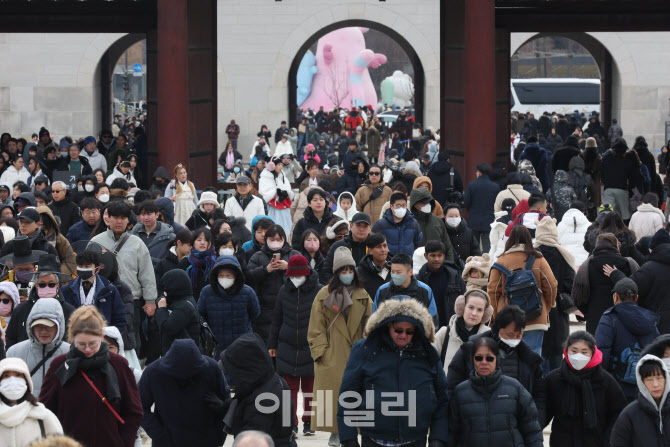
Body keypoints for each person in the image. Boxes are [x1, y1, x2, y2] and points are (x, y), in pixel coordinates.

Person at [338, 298, 449, 447]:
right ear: (388, 326)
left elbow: (442, 399)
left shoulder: (427, 353)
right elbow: (348, 396)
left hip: (415, 439)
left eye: (409, 331)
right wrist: (348, 438)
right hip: (374, 439)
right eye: (398, 330)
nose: (403, 335)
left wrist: (438, 437)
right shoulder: (365, 350)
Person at [39, 306, 143, 447]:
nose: (87, 349)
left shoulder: (119, 365)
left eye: (93, 344)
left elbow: (133, 411)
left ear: (101, 337)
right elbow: (46, 411)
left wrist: (125, 442)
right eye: (81, 344)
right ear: (72, 339)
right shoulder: (60, 366)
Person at [307, 247, 372, 445]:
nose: (347, 274)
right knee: (332, 399)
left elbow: (370, 326)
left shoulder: (362, 295)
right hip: (332, 356)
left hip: (357, 354)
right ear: (336, 273)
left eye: (350, 270)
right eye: (343, 271)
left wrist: (367, 350)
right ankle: (335, 435)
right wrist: (322, 353)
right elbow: (315, 328)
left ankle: (351, 435)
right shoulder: (323, 295)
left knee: (356, 398)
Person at [447, 305, 546, 424]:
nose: (514, 339)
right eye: (510, 335)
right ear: (497, 329)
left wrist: (535, 424)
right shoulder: (470, 350)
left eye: (518, 335)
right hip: (474, 426)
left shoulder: (529, 359)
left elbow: (540, 396)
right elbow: (451, 388)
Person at [448, 336, 544, 447]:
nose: (484, 362)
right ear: (473, 359)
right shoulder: (460, 392)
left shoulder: (515, 388)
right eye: (479, 358)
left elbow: (532, 430)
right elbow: (452, 432)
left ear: (497, 359)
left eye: (489, 358)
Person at [90, 201, 157, 355]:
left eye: (123, 218)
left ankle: (132, 370)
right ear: (108, 218)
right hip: (102, 297)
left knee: (131, 337)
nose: (119, 221)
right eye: (115, 217)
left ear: (129, 220)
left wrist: (150, 300)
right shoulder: (95, 242)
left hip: (131, 299)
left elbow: (146, 273)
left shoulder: (137, 243)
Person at [139, 339, 230, 447]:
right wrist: (159, 434)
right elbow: (139, 406)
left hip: (205, 439)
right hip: (168, 441)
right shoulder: (153, 372)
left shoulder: (211, 368)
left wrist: (219, 436)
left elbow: (226, 404)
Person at [268, 255, 321, 436]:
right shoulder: (284, 290)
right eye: (292, 276)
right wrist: (272, 344)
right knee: (287, 388)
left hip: (311, 347)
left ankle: (309, 422)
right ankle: (290, 423)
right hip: (287, 346)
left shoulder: (319, 291)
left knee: (310, 388)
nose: (295, 279)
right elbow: (276, 319)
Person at [544, 331, 627, 447]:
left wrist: (608, 440)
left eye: (584, 352)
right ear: (566, 351)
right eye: (574, 351)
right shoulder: (554, 379)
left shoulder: (605, 381)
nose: (578, 356)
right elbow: (543, 412)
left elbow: (618, 413)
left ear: (592, 353)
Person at [489, 225, 558, 355]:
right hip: (535, 316)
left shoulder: (501, 261)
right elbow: (551, 285)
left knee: (508, 356)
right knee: (533, 356)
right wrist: (547, 306)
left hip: (508, 319)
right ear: (529, 239)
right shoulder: (539, 259)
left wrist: (495, 316)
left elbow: (492, 291)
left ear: (509, 240)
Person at [221, 333, 296, 447]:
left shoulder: (263, 401)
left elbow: (251, 440)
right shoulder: (274, 380)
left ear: (246, 368)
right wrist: (224, 407)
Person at [595, 277, 659, 400]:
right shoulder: (649, 319)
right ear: (636, 298)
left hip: (617, 386)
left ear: (616, 297)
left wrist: (600, 383)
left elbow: (602, 352)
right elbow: (657, 350)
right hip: (645, 385)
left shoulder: (609, 317)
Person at [605, 228, 670, 334]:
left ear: (652, 249)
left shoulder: (649, 269)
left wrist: (615, 274)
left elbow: (629, 288)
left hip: (656, 325)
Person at [4, 254, 75, 349]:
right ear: (36, 286)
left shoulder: (69, 312)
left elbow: (74, 341)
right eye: (42, 284)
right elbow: (10, 337)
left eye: (51, 284)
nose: (47, 287)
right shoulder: (21, 310)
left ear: (57, 286)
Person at [573, 232, 639, 335]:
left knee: (598, 349)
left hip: (595, 320)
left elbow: (577, 296)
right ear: (616, 245)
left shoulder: (587, 265)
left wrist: (588, 313)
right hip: (623, 318)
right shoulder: (628, 264)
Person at [534, 216, 577, 372]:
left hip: (535, 312)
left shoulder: (532, 254)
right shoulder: (565, 255)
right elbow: (571, 286)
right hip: (558, 312)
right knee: (557, 360)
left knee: (538, 358)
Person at [245, 225, 299, 345]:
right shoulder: (257, 256)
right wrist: (265, 270)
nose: (275, 243)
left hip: (290, 305)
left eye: (278, 240)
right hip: (265, 308)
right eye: (272, 240)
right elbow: (248, 277)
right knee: (266, 342)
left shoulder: (294, 255)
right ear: (266, 240)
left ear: (284, 239)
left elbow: (307, 274)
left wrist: (289, 267)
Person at [6, 298, 70, 397]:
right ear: (31, 326)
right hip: (25, 411)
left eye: (49, 326)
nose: (43, 331)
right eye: (38, 326)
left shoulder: (70, 353)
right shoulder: (14, 353)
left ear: (59, 326)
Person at [198, 255, 260, 357]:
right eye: (221, 275)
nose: (224, 278)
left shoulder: (247, 292)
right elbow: (200, 314)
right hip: (216, 344)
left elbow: (255, 313)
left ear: (236, 276)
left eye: (228, 275)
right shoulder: (207, 292)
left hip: (241, 343)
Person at [60, 250, 127, 334]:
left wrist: (110, 339)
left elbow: (120, 319)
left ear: (97, 269)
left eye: (87, 266)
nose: (83, 269)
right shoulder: (66, 290)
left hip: (102, 338)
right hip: (74, 337)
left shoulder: (110, 291)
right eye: (80, 266)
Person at [610, 354, 670, 446]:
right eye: (649, 379)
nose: (655, 384)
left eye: (659, 378)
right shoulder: (629, 414)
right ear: (641, 382)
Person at [0, 357, 63, 442]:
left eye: (18, 375)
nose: (12, 380)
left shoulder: (43, 416)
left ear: (26, 380)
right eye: (6, 376)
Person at [433, 289, 493, 373]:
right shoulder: (444, 333)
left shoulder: (490, 337)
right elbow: (429, 361)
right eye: (471, 307)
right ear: (462, 307)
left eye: (479, 310)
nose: (474, 313)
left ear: (485, 314)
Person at [373, 253, 439, 325]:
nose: (394, 275)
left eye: (398, 272)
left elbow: (432, 320)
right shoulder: (383, 290)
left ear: (410, 272)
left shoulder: (425, 290)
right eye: (392, 271)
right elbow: (375, 319)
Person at [417, 240, 465, 327]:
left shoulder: (454, 277)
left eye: (440, 255)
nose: (436, 259)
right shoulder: (419, 280)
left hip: (452, 326)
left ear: (444, 255)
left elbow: (464, 299)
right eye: (433, 255)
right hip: (428, 326)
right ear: (426, 256)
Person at [154, 269, 200, 356]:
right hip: (176, 352)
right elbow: (156, 324)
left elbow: (168, 327)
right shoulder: (177, 302)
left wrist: (162, 309)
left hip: (183, 356)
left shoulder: (184, 307)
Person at [321, 213, 371, 284]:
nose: (361, 229)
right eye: (358, 225)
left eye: (365, 226)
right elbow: (327, 271)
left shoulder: (375, 245)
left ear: (369, 228)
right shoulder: (338, 246)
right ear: (351, 226)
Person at [463, 163, 500, 251]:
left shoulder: (472, 185)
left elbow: (466, 202)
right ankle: (486, 263)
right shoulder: (495, 187)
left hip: (473, 218)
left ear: (479, 172)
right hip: (489, 219)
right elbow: (496, 203)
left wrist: (471, 211)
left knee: (473, 245)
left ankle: (474, 263)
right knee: (487, 245)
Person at [36, 206, 78, 277]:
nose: (42, 228)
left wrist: (57, 274)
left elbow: (70, 261)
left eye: (44, 225)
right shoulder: (28, 238)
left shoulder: (59, 239)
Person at [178, 228, 217, 302]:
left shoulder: (216, 262)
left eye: (206, 240)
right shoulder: (185, 263)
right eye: (199, 240)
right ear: (193, 243)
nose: (202, 243)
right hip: (190, 305)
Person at [259, 157, 295, 236]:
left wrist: (286, 193)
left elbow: (288, 188)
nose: (280, 167)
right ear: (272, 166)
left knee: (286, 228)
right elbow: (264, 194)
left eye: (281, 164)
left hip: (284, 207)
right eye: (278, 164)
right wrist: (275, 193)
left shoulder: (283, 177)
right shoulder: (265, 178)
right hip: (271, 207)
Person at [601, 138, 635, 221]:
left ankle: (605, 229)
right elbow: (631, 176)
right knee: (625, 213)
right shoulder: (627, 160)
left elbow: (601, 172)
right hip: (622, 189)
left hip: (608, 188)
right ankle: (625, 229)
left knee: (606, 212)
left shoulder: (607, 158)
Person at [355, 232, 391, 302]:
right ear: (370, 251)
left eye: (385, 246)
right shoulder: (360, 272)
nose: (383, 250)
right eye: (379, 247)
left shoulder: (397, 269)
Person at [556, 201, 591, 266]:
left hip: (566, 261)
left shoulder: (560, 225)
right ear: (583, 212)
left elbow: (556, 242)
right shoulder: (589, 225)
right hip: (585, 263)